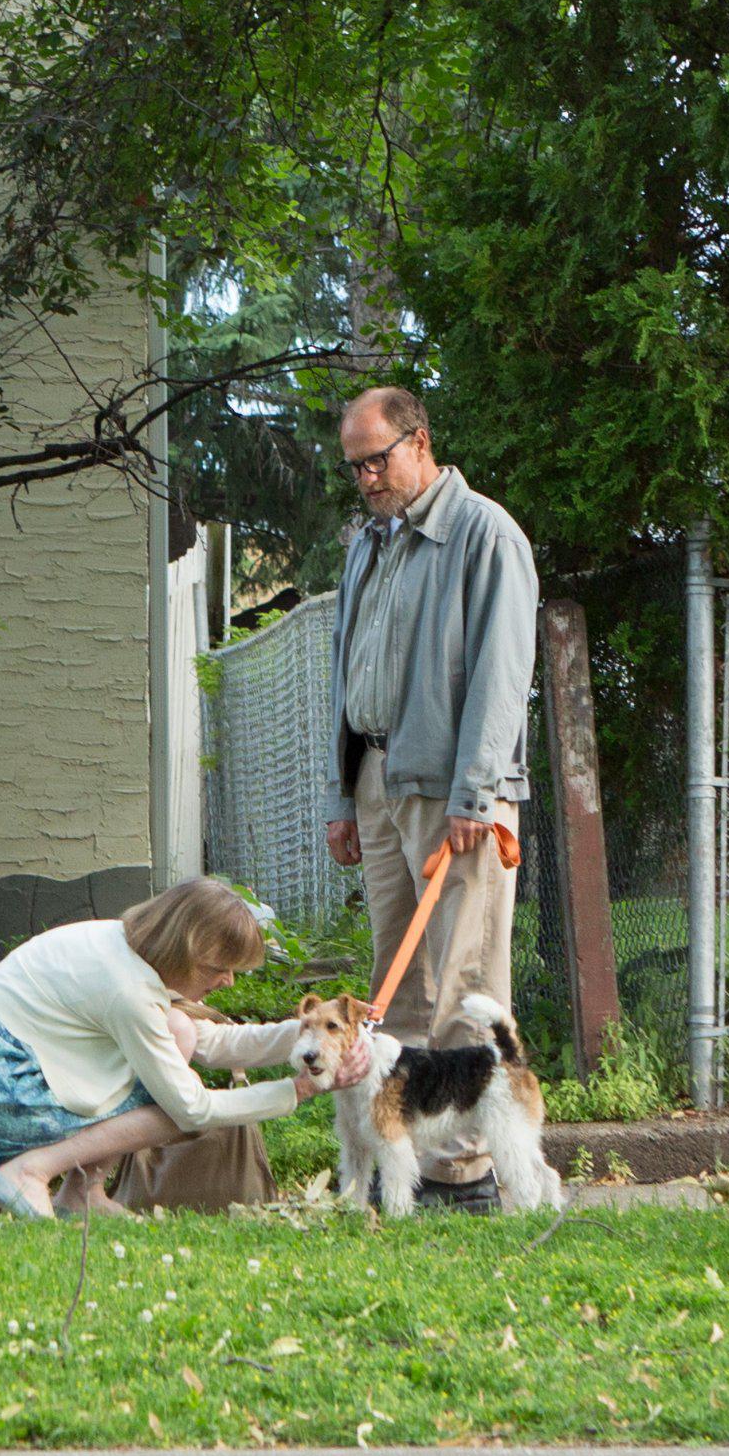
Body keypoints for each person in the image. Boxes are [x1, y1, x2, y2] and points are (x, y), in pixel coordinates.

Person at [321, 385, 539, 1212]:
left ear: (420, 442)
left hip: (456, 793)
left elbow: (502, 674)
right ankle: (407, 1162)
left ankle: (468, 1171)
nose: (366, 478)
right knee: (399, 977)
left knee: (461, 976)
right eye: (354, 467)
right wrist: (341, 795)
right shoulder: (368, 545)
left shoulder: (485, 533)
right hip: (377, 779)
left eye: (376, 460)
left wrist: (475, 792)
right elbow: (344, 672)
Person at [0, 877, 365, 1218]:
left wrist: (317, 1032)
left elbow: (213, 1041)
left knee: (181, 1030)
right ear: (185, 949)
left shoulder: (124, 947)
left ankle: (82, 1194)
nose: (228, 981)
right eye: (219, 968)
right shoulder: (129, 992)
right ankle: (30, 1173)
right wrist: (301, 1089)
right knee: (176, 1106)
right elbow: (191, 1110)